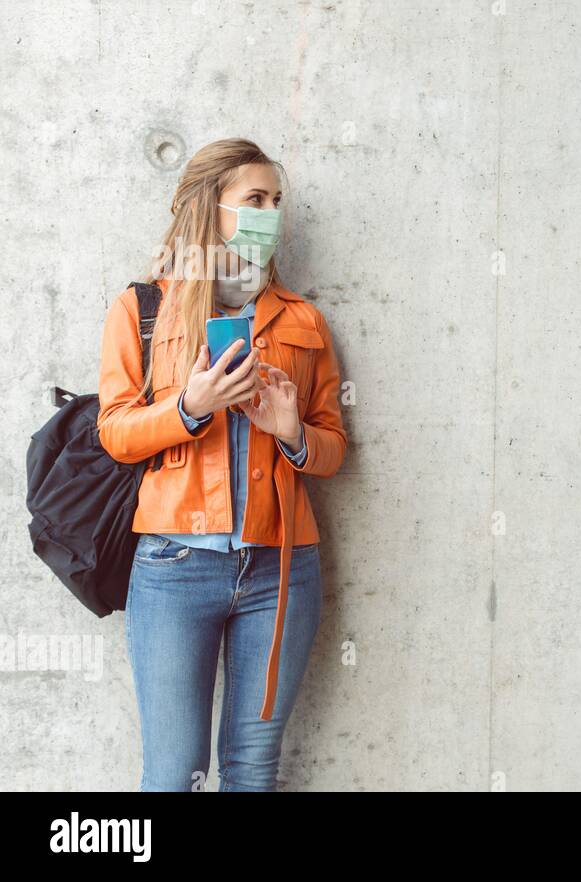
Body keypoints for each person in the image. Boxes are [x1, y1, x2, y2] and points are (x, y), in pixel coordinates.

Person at [97, 138, 348, 791]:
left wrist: (293, 433)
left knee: (253, 769)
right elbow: (116, 433)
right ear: (212, 207)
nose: (271, 213)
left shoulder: (303, 321)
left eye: (277, 201)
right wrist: (189, 406)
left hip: (283, 570)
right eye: (254, 199)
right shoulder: (143, 309)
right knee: (175, 774)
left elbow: (332, 448)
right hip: (175, 570)